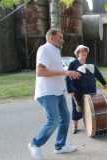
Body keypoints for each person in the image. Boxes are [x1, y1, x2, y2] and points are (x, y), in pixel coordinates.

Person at [28, 28, 80, 160]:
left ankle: (60, 146)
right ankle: (35, 144)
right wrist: (65, 72)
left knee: (65, 118)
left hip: (57, 92)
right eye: (60, 38)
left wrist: (67, 73)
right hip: (47, 93)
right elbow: (40, 72)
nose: (63, 40)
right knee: (54, 120)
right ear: (51, 38)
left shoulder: (55, 51)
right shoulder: (44, 49)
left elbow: (56, 71)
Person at [66, 45, 107, 134]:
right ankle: (75, 126)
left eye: (85, 51)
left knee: (92, 109)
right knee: (77, 109)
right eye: (82, 51)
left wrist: (104, 83)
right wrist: (70, 90)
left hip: (91, 90)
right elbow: (68, 77)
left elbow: (97, 73)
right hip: (78, 91)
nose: (84, 53)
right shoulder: (73, 64)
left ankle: (91, 125)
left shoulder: (90, 62)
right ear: (78, 53)